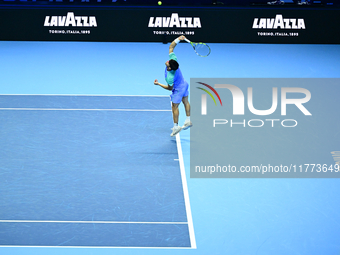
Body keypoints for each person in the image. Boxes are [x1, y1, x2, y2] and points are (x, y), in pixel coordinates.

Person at [154, 35, 192, 137]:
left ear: (170, 68)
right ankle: (188, 120)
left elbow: (170, 88)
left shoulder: (170, 77)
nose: (167, 61)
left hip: (179, 90)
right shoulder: (174, 60)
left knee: (174, 106)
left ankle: (176, 127)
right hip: (185, 85)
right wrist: (178, 39)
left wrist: (158, 84)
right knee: (186, 101)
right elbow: (171, 47)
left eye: (168, 63)